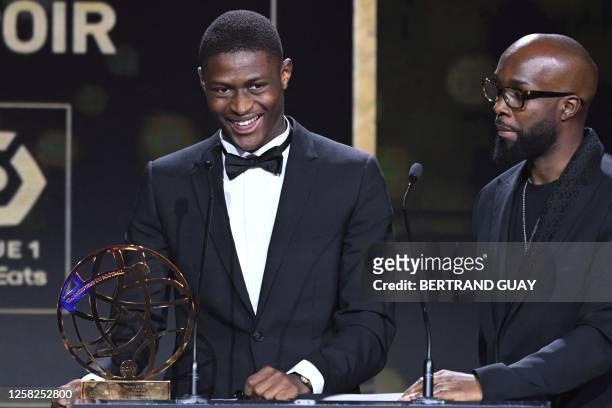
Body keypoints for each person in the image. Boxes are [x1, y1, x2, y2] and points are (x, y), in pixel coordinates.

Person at [95, 10, 394, 400]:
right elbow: (139, 316)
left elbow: (371, 321)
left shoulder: (354, 177)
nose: (240, 106)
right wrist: (108, 382)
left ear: (285, 74)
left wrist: (303, 378)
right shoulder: (166, 182)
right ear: (202, 81)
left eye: (256, 86)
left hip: (314, 402)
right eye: (223, 90)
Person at [401, 34, 612, 407]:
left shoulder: (606, 193)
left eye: (518, 94)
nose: (499, 106)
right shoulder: (492, 198)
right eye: (497, 90)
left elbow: (603, 334)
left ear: (568, 107)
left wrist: (492, 383)